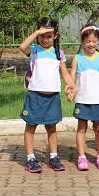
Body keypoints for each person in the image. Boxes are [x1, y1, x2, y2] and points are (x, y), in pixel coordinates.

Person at [19, 18, 76, 173]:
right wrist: (38, 31)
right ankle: (31, 158)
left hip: (52, 98)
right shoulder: (34, 51)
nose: (45, 39)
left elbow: (65, 74)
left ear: (55, 36)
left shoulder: (59, 54)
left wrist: (72, 86)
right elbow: (22, 46)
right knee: (30, 127)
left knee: (52, 128)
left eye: (49, 36)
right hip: (35, 97)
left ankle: (53, 156)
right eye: (42, 36)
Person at [69, 24, 99, 171]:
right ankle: (81, 157)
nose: (91, 44)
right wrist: (70, 91)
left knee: (98, 129)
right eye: (88, 41)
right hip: (82, 100)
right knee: (81, 129)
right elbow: (71, 79)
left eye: (94, 41)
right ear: (82, 42)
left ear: (98, 40)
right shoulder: (77, 58)